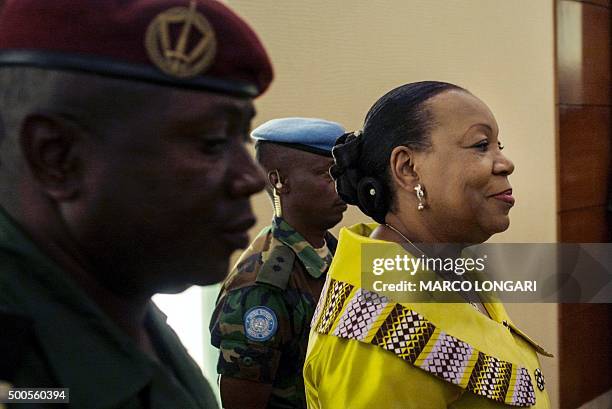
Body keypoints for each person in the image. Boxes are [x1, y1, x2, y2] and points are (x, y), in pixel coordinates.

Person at [0, 0, 272, 408]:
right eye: (213, 142)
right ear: (57, 157)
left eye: (243, 139)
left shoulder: (121, 302)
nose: (252, 178)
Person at [304, 82, 553, 408]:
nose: (505, 163)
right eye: (481, 145)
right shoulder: (376, 341)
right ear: (408, 169)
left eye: (498, 145)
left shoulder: (445, 259)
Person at [210, 117, 347, 409]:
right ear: (278, 181)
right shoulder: (262, 286)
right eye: (327, 175)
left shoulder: (340, 255)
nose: (341, 188)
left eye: (341, 174)